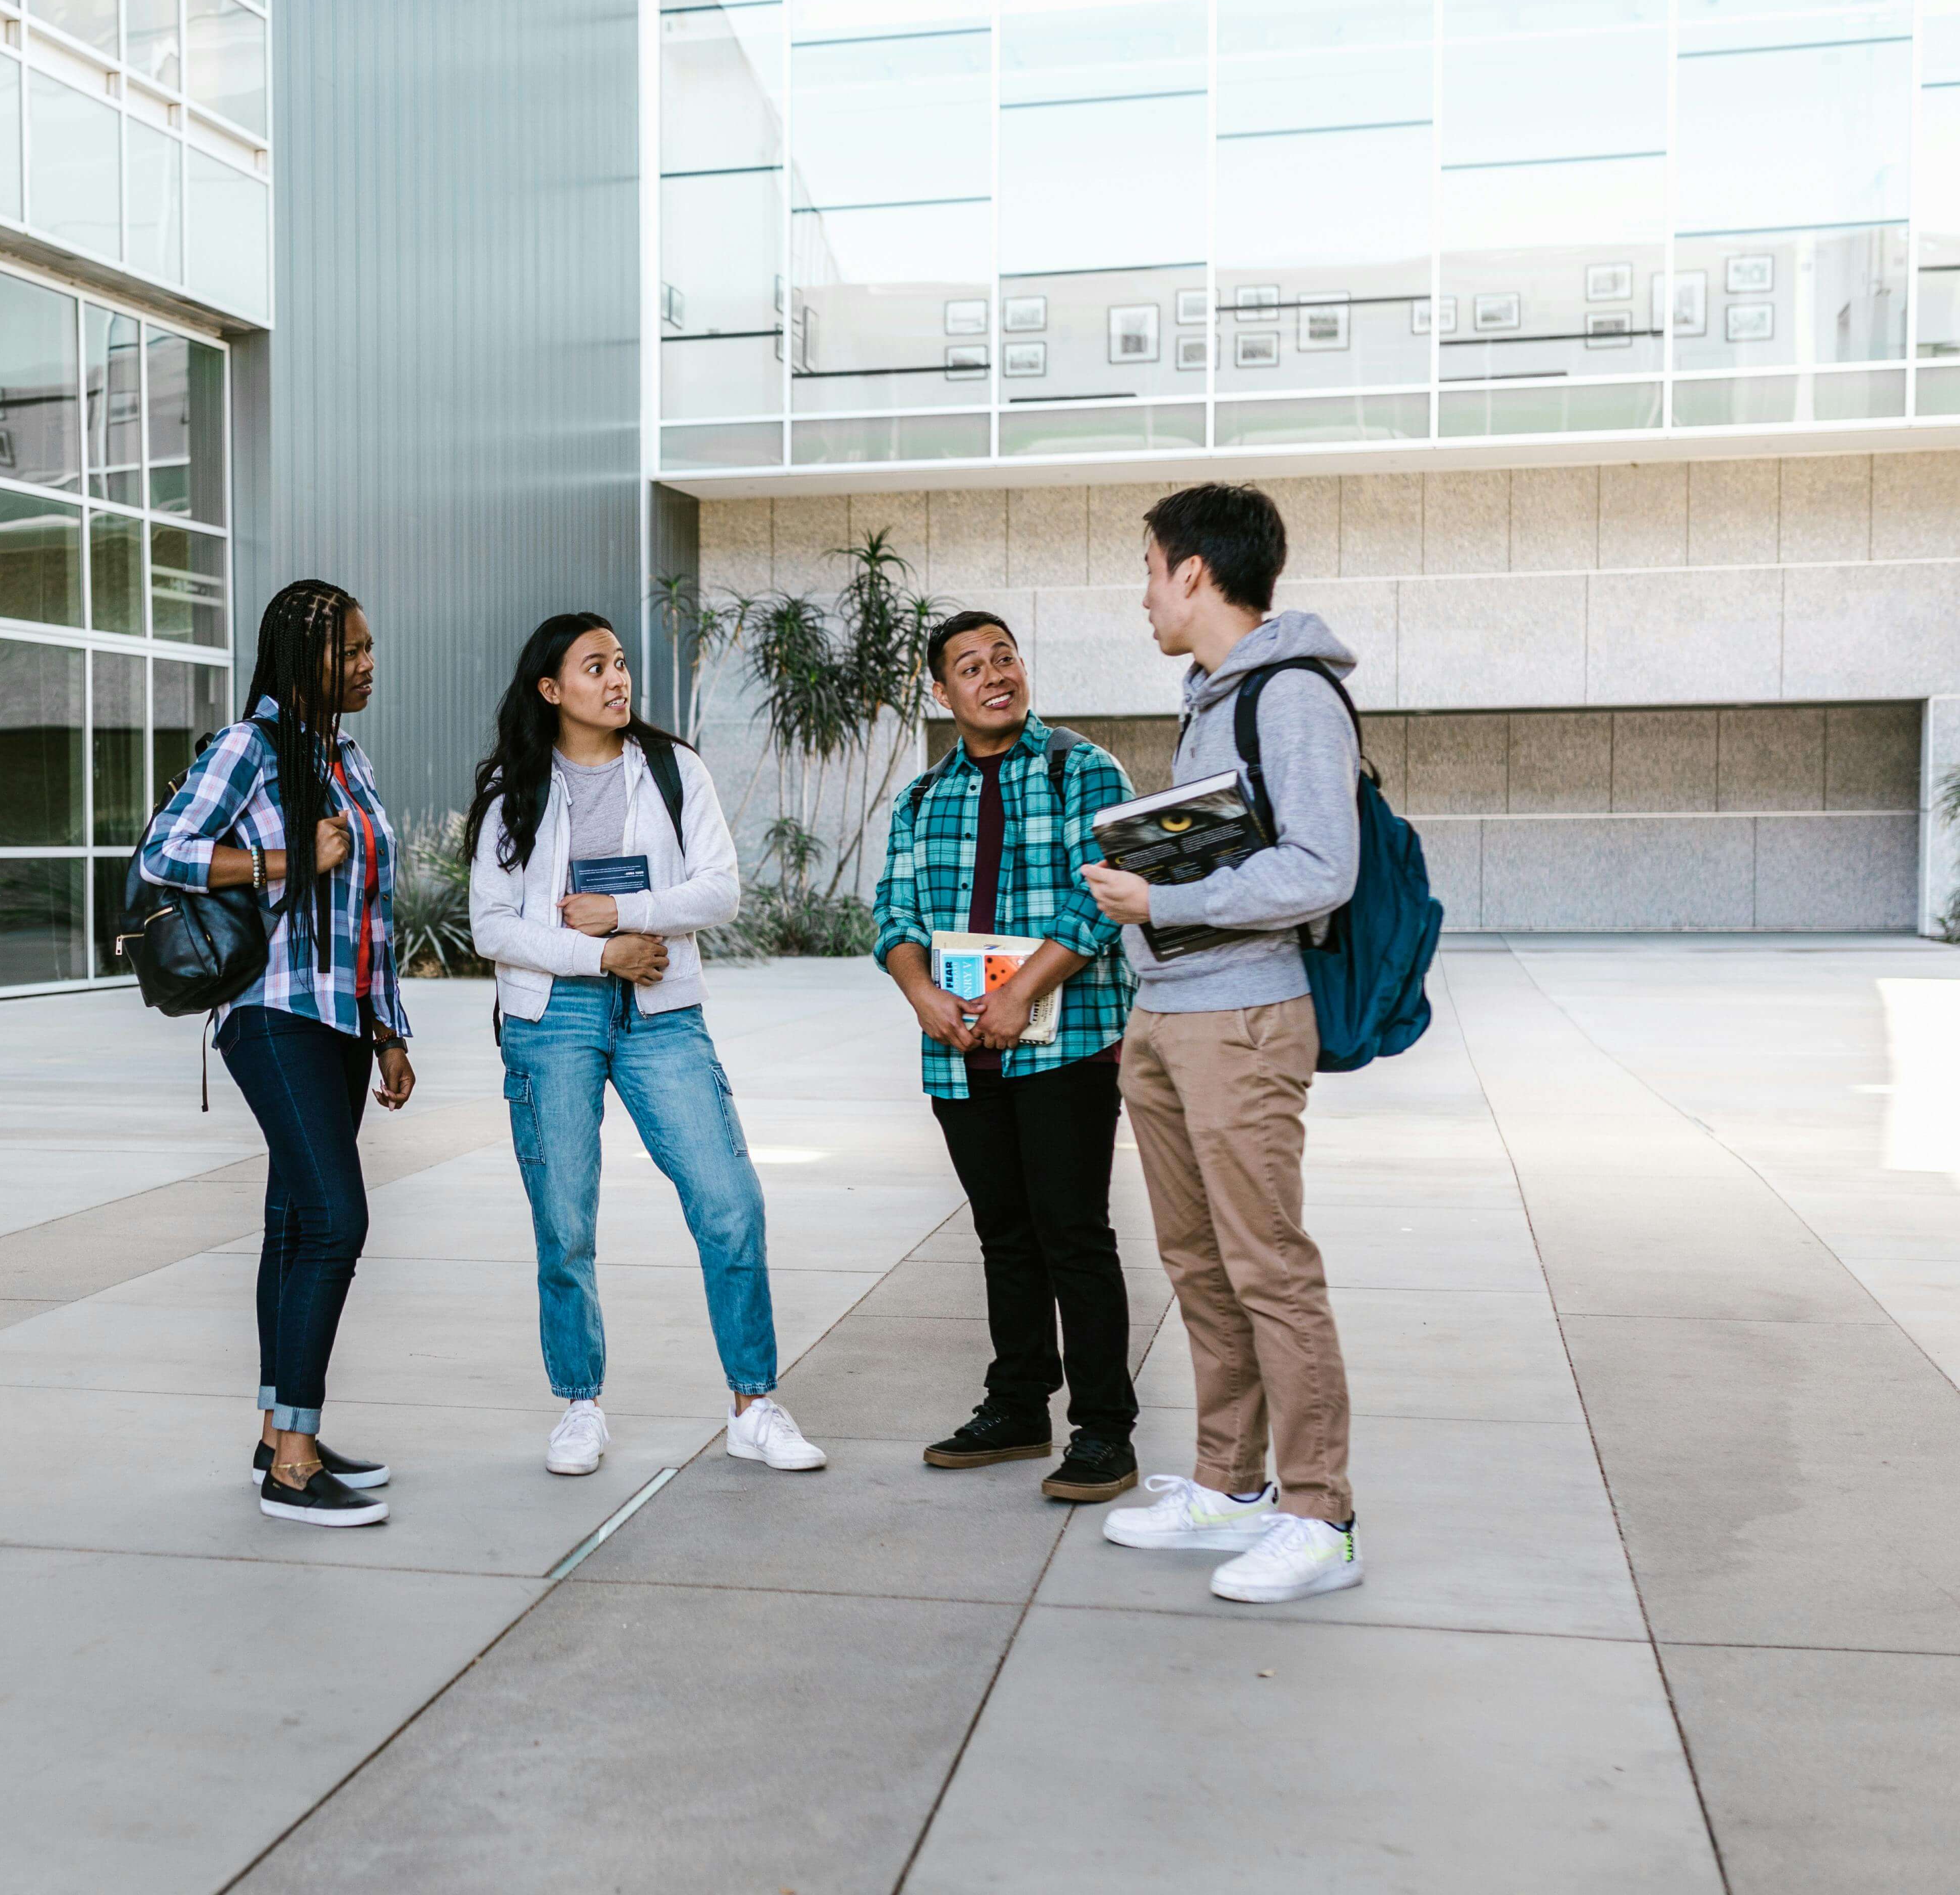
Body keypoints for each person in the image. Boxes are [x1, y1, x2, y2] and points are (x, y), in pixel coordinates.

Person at [1080, 483, 1366, 1603]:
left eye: (1149, 568)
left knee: (1267, 1266)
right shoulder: (1212, 695)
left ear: (1193, 570)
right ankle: (1229, 1482)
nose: (1144, 594)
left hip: (1242, 1014)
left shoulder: (1291, 694)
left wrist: (1164, 905)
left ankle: (1319, 1512)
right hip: (1171, 1012)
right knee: (1197, 1262)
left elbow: (1319, 869)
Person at [465, 612, 827, 1479]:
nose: (617, 679)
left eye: (621, 663)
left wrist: (626, 915)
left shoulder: (672, 769)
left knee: (729, 1200)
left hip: (663, 1013)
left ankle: (752, 1405)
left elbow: (720, 890)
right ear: (551, 690)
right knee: (565, 1222)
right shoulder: (512, 787)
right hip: (552, 1019)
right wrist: (601, 954)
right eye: (596, 667)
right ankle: (579, 1405)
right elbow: (490, 925)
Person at [139, 579, 415, 1528]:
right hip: (272, 1012)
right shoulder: (244, 750)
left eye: (370, 648)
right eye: (352, 652)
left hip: (340, 1020)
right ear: (304, 662)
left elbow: (371, 909)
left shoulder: (345, 756)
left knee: (297, 1225)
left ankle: (277, 1430)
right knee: (336, 1221)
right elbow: (163, 854)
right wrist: (284, 858)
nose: (368, 664)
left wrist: (388, 1030)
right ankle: (292, 1467)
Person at [871, 610, 1142, 1504]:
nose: (995, 675)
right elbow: (894, 915)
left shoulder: (1079, 769)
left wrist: (1022, 988)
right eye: (970, 666)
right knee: (1003, 1236)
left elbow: (1100, 900)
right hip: (960, 1052)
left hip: (1064, 1044)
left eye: (1006, 657)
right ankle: (1018, 1405)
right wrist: (921, 995)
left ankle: (1103, 1430)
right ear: (938, 691)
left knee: (1074, 1235)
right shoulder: (919, 800)